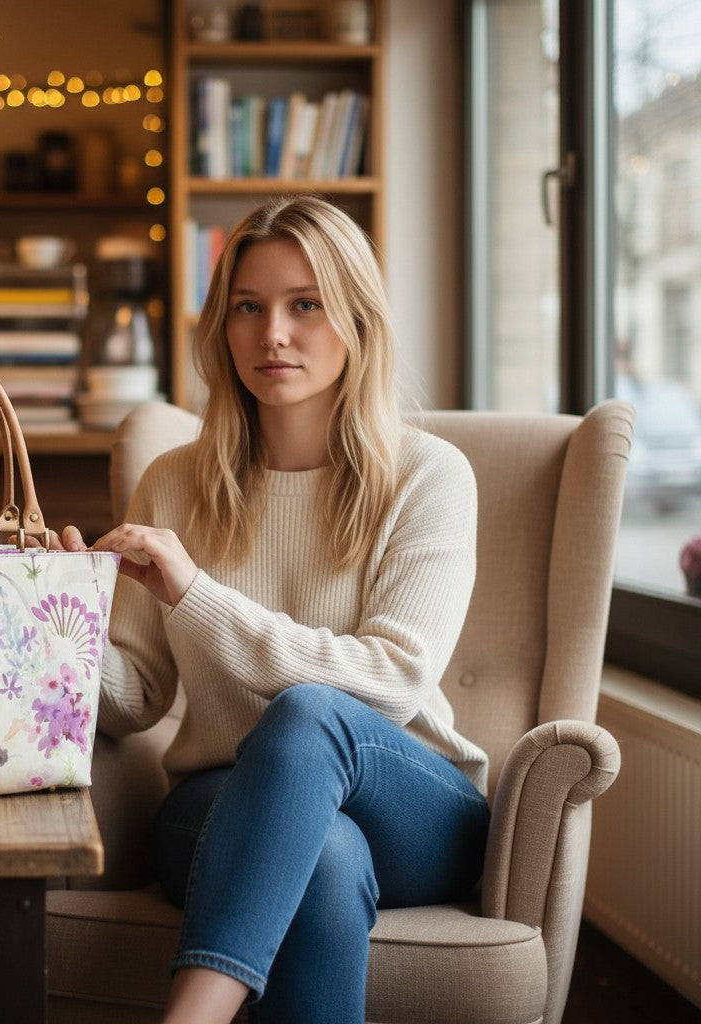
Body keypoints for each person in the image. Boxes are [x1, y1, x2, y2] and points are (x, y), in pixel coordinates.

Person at [52, 194, 490, 1024]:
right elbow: (134, 697)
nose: (271, 335)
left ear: (357, 319)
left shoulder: (431, 476)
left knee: (309, 714)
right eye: (246, 308)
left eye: (305, 305)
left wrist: (196, 594)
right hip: (221, 807)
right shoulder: (175, 482)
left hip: (414, 809)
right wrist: (56, 622)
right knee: (319, 855)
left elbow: (393, 682)